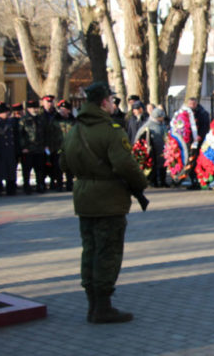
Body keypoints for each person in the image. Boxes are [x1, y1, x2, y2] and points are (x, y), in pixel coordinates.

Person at [59, 82, 148, 324]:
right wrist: (140, 183)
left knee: (89, 250)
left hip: (84, 197)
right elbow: (125, 164)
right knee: (107, 252)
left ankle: (92, 304)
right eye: (110, 99)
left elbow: (64, 164)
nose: (112, 103)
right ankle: (103, 307)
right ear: (103, 103)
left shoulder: (75, 130)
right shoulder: (111, 130)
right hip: (109, 199)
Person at [0, 103, 20, 196]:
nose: (8, 114)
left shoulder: (11, 122)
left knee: (11, 171)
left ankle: (11, 189)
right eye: (6, 112)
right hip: (0, 151)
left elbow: (15, 137)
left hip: (10, 151)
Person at [20, 99, 48, 193]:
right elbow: (20, 135)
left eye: (36, 108)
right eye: (32, 108)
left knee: (40, 169)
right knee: (27, 170)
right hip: (28, 149)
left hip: (39, 149)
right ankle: (27, 186)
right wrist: (24, 147)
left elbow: (45, 133)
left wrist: (45, 145)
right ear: (28, 109)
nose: (34, 110)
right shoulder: (23, 120)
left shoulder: (41, 119)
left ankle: (40, 185)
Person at [137, 106, 167, 188]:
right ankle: (154, 181)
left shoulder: (162, 125)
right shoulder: (148, 125)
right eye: (161, 117)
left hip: (163, 149)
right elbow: (139, 137)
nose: (162, 118)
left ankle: (163, 181)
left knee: (163, 165)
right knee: (154, 166)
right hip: (153, 150)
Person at [54, 100, 77, 191]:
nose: (62, 111)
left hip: (70, 147)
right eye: (61, 109)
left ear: (68, 110)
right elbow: (49, 134)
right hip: (58, 147)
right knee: (58, 167)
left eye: (64, 109)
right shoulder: (55, 120)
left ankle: (69, 184)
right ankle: (59, 184)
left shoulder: (73, 121)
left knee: (70, 167)